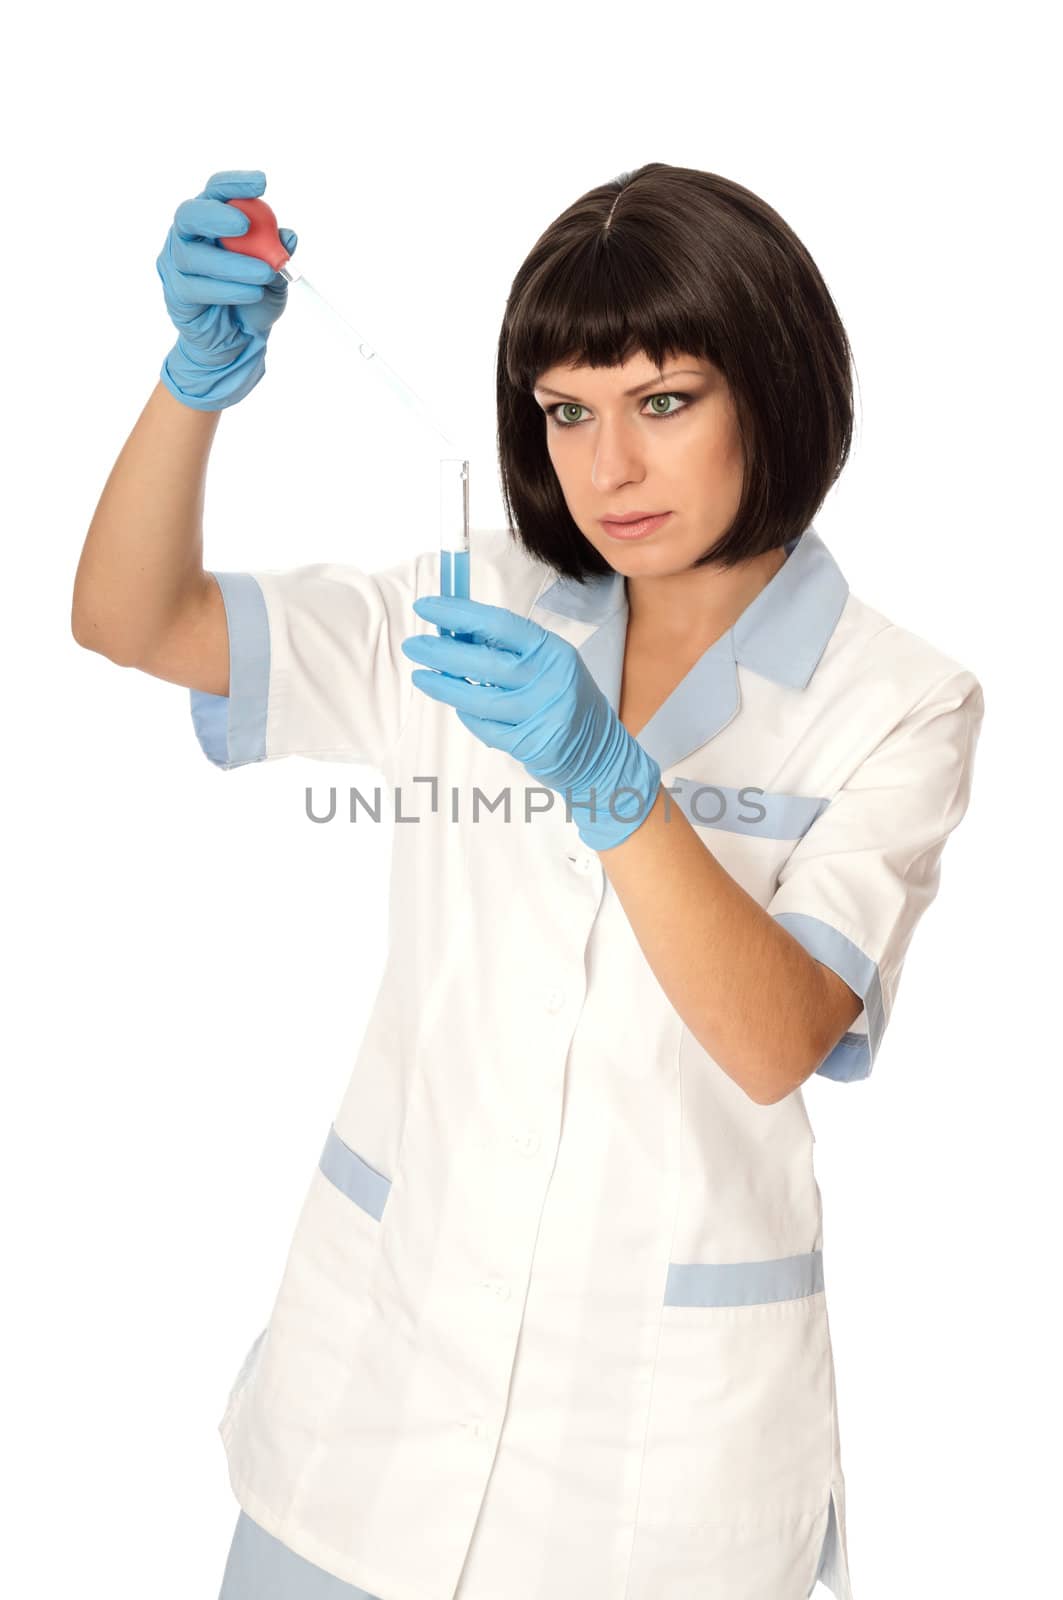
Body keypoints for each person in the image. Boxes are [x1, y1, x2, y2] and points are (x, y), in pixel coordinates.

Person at [71, 164, 985, 1600]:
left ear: (776, 386)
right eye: (568, 411)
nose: (607, 468)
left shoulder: (896, 700)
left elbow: (776, 1038)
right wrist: (195, 384)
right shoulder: (469, 613)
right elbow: (135, 619)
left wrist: (611, 780)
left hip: (650, 1475)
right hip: (369, 1415)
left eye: (664, 401)